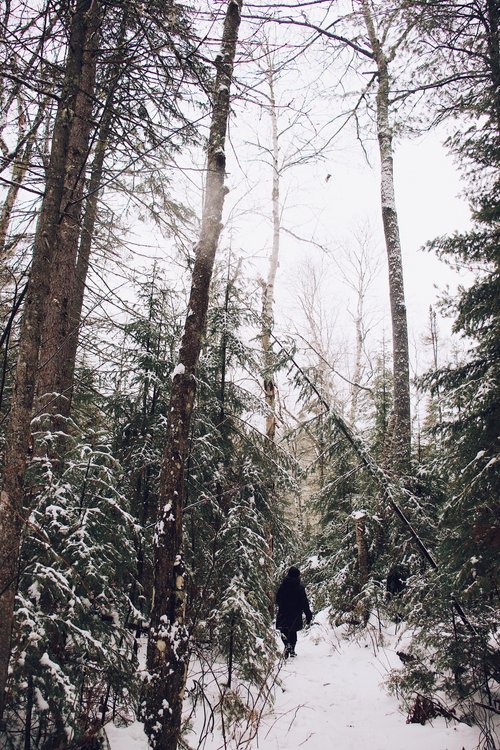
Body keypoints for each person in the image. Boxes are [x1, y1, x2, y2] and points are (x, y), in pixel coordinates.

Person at [275, 566, 312, 658]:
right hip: (295, 613)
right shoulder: (300, 588)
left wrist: (282, 606)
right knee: (293, 631)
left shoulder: (283, 586)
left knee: (284, 630)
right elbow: (304, 602)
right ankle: (292, 649)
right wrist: (308, 615)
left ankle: (287, 645)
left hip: (284, 612)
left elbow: (278, 599)